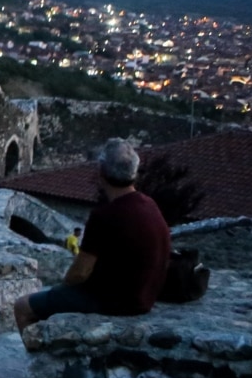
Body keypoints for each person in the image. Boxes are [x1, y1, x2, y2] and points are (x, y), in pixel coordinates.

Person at [15, 139, 171, 330]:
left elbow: (80, 272)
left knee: (23, 307)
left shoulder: (104, 216)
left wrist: (62, 289)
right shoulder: (150, 205)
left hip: (112, 301)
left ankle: (36, 358)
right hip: (144, 297)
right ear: (134, 173)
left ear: (102, 173)